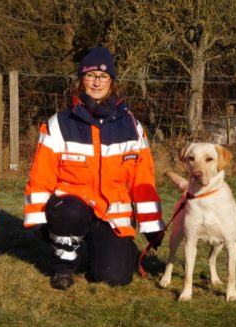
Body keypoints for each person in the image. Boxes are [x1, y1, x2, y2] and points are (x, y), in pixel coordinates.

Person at [24, 47, 164, 290]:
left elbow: (143, 179)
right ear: (81, 81)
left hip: (110, 214)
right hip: (72, 207)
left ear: (112, 82)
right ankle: (64, 266)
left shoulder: (132, 126)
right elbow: (41, 176)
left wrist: (152, 225)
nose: (97, 82)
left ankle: (113, 249)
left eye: (103, 77)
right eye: (90, 76)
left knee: (115, 277)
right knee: (69, 213)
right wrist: (37, 220)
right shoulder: (58, 124)